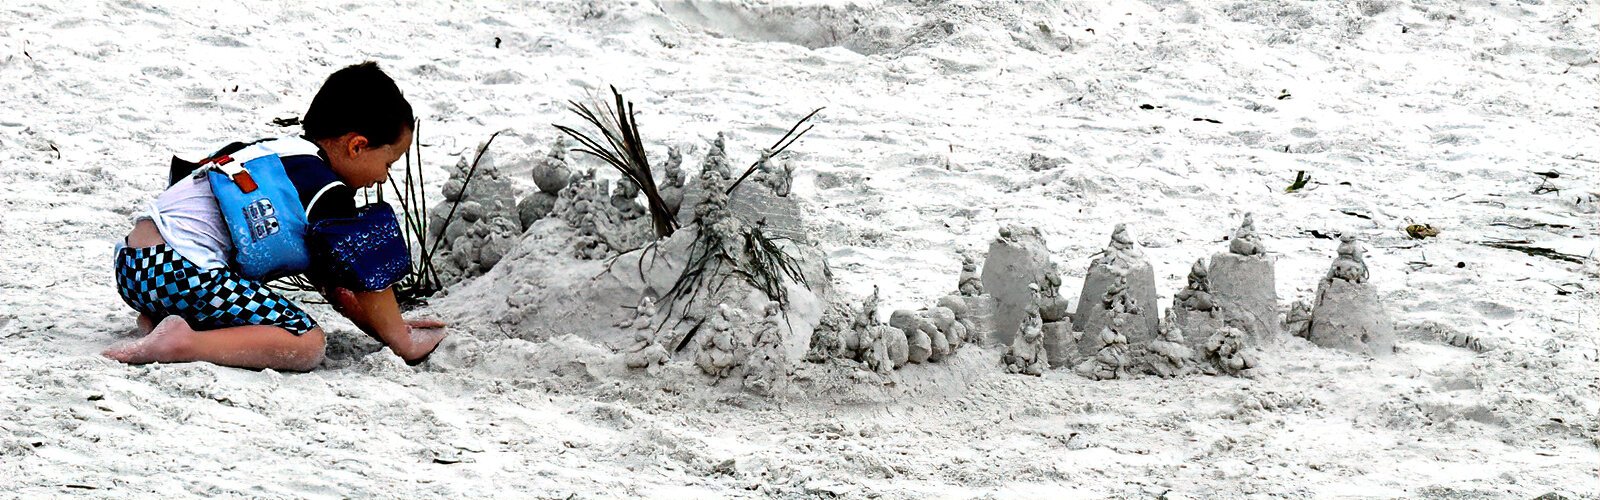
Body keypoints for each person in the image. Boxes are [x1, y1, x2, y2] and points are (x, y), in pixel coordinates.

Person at [104, 62, 446, 371]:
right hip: (180, 270)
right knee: (306, 343)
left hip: (132, 266)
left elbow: (339, 290)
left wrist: (390, 327)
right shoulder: (326, 191)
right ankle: (181, 342)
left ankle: (164, 320)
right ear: (357, 146)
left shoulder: (276, 152)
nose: (383, 178)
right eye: (387, 163)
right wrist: (402, 340)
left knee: (242, 304)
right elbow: (367, 281)